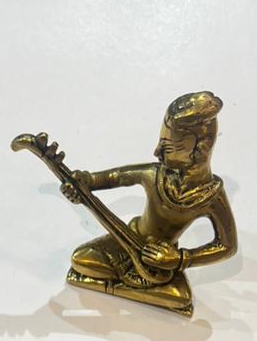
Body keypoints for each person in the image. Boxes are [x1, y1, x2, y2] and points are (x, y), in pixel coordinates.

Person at [61, 91, 237, 316]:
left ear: (199, 149)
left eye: (168, 147)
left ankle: (118, 286)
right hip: (128, 238)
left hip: (159, 260)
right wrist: (85, 182)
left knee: (180, 297)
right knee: (80, 259)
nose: (156, 153)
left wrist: (180, 259)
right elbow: (115, 177)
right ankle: (140, 290)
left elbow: (227, 246)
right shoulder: (155, 175)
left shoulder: (212, 196)